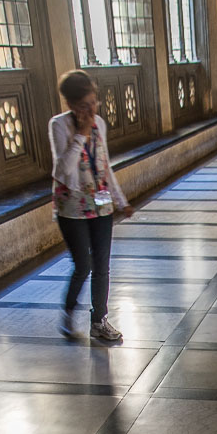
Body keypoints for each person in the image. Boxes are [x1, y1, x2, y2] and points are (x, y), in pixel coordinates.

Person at [48, 70, 133, 341]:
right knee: (83, 265)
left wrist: (121, 201)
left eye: (94, 102)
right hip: (72, 206)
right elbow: (63, 171)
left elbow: (104, 166)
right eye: (85, 105)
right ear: (71, 104)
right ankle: (68, 312)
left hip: (101, 202)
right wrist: (81, 135)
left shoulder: (100, 124)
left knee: (102, 265)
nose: (92, 109)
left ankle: (99, 321)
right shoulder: (59, 125)